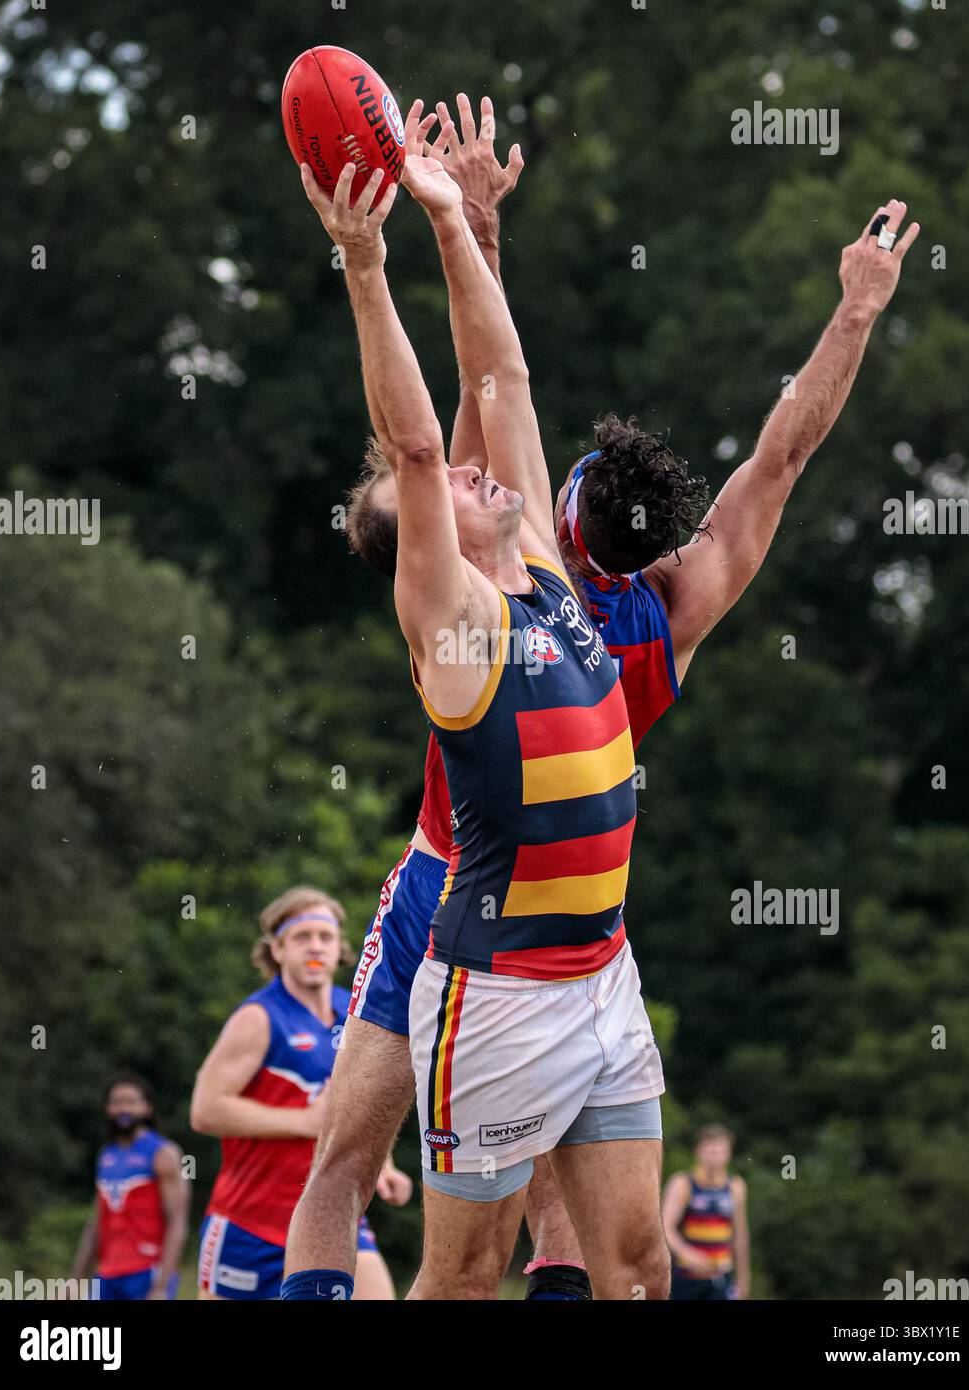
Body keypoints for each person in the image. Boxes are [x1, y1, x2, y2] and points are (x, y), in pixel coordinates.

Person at [285, 88, 921, 1300]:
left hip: (579, 944)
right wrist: (400, 244)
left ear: (562, 517)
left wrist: (448, 228)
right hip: (474, 908)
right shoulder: (540, 599)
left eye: (522, 479)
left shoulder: (556, 573)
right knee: (406, 1204)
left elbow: (491, 393)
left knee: (608, 1257)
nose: (500, 472)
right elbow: (466, 422)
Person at [282, 101, 670, 1303]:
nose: (466, 465)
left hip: (599, 968)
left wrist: (456, 224)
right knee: (462, 1276)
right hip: (495, 988)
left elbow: (498, 370)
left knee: (640, 1264)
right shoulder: (457, 626)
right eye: (442, 484)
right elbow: (408, 445)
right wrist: (363, 261)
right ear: (428, 546)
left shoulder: (544, 570)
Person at [191, 886, 410, 1299]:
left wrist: (385, 1167)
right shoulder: (258, 1018)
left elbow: (357, 1106)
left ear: (340, 947)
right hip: (250, 1223)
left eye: (325, 937)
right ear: (277, 949)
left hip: (336, 1217)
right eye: (302, 937)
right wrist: (303, 1122)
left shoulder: (356, 1014)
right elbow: (205, 1110)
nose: (315, 947)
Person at [71, 1072, 189, 1300]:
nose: (123, 1109)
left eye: (131, 1102)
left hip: (147, 1272)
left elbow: (177, 1221)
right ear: (107, 1109)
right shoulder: (106, 1155)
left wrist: (162, 1286)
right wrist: (75, 1279)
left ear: (147, 1108)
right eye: (117, 1102)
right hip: (107, 1273)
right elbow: (96, 1220)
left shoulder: (163, 1153)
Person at [663, 1125, 749, 1300]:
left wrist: (744, 1280)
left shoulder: (735, 1186)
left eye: (719, 1150)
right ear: (698, 1151)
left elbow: (740, 1235)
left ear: (728, 1153)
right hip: (687, 1278)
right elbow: (665, 1227)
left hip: (721, 1278)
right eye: (709, 1149)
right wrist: (686, 1253)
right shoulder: (683, 1184)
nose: (714, 1155)